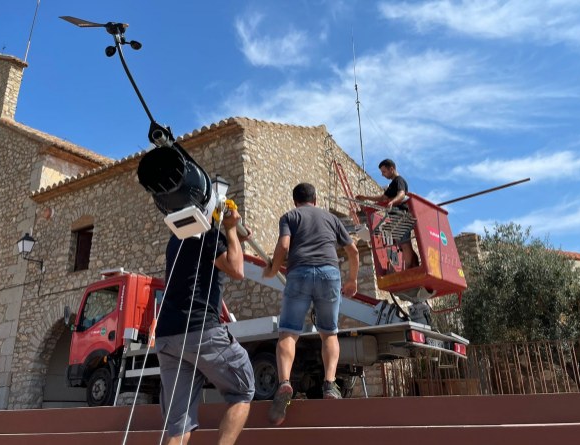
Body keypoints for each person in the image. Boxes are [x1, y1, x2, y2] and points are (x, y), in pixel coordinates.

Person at [155, 208, 255, 445]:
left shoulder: (175, 240)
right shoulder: (209, 235)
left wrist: (234, 239)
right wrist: (230, 228)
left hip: (167, 337)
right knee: (242, 391)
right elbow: (236, 269)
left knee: (178, 426)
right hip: (201, 330)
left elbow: (205, 260)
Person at [263, 183, 359, 426]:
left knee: (288, 333)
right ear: (315, 200)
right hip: (329, 274)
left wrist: (272, 270)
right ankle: (329, 384)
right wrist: (352, 280)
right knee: (329, 333)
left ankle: (284, 384)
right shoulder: (331, 218)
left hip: (299, 273)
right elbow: (353, 251)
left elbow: (284, 246)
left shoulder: (290, 216)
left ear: (295, 201)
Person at [355, 158, 420, 269]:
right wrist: (365, 198)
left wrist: (393, 202)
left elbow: (401, 194)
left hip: (401, 215)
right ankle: (413, 265)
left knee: (405, 243)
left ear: (391, 169)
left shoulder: (399, 180)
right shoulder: (392, 184)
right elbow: (383, 198)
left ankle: (410, 267)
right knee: (402, 243)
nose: (382, 174)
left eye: (384, 171)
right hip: (396, 216)